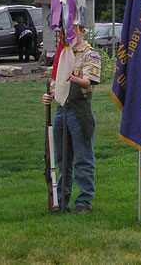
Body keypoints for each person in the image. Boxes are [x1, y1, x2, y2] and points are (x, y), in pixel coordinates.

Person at [41, 24, 101, 213]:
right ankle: (61, 200)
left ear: (82, 32)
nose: (70, 35)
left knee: (83, 158)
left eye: (74, 31)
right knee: (61, 158)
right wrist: (49, 96)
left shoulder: (90, 55)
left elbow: (87, 82)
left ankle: (84, 201)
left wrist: (70, 77)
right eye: (67, 32)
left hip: (79, 110)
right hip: (61, 109)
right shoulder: (63, 55)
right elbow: (55, 86)